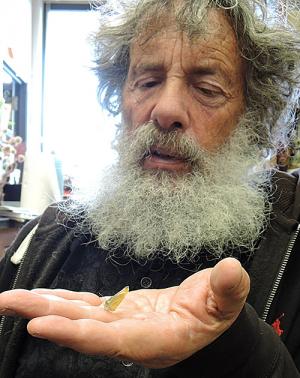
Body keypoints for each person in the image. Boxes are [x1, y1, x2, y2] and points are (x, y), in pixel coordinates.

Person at [0, 0, 300, 376]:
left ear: (252, 115)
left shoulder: (292, 251)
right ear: (120, 95)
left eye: (206, 88)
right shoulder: (43, 240)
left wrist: (237, 346)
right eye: (147, 82)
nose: (166, 109)